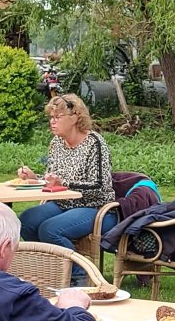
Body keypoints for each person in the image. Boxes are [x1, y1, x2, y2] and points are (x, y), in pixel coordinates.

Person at [15, 93, 113, 251]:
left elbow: (99, 186)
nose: (52, 121)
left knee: (50, 229)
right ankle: (50, 266)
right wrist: (36, 178)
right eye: (51, 117)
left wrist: (64, 184)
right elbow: (53, 179)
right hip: (62, 203)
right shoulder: (57, 143)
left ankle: (78, 272)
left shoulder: (94, 143)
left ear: (74, 117)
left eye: (58, 117)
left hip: (94, 206)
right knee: (26, 220)